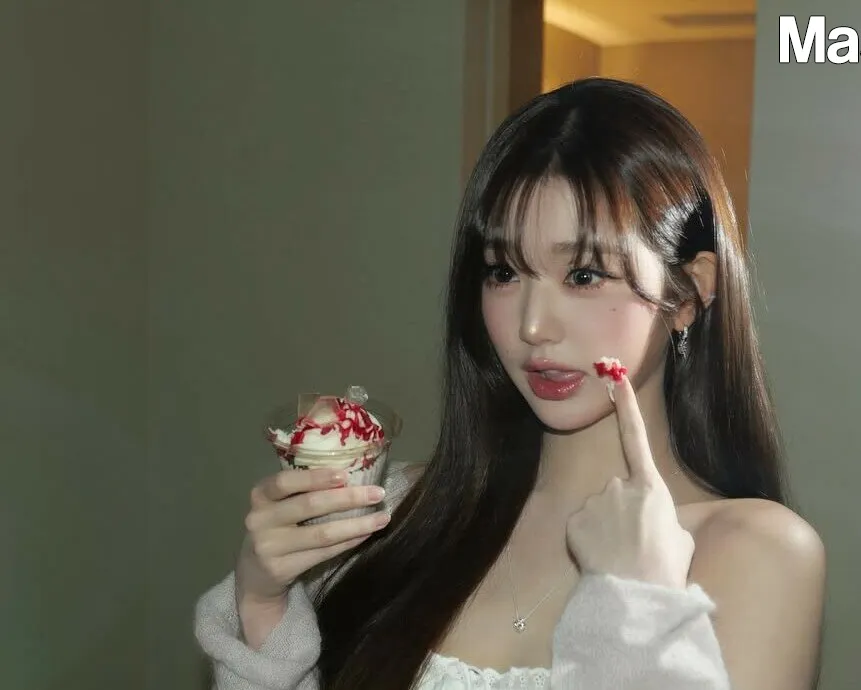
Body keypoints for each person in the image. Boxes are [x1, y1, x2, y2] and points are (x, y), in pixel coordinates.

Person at [195, 77, 826, 690]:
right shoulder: (398, 512)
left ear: (689, 293)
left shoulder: (757, 554)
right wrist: (262, 609)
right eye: (503, 272)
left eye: (584, 275)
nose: (531, 326)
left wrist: (636, 609)